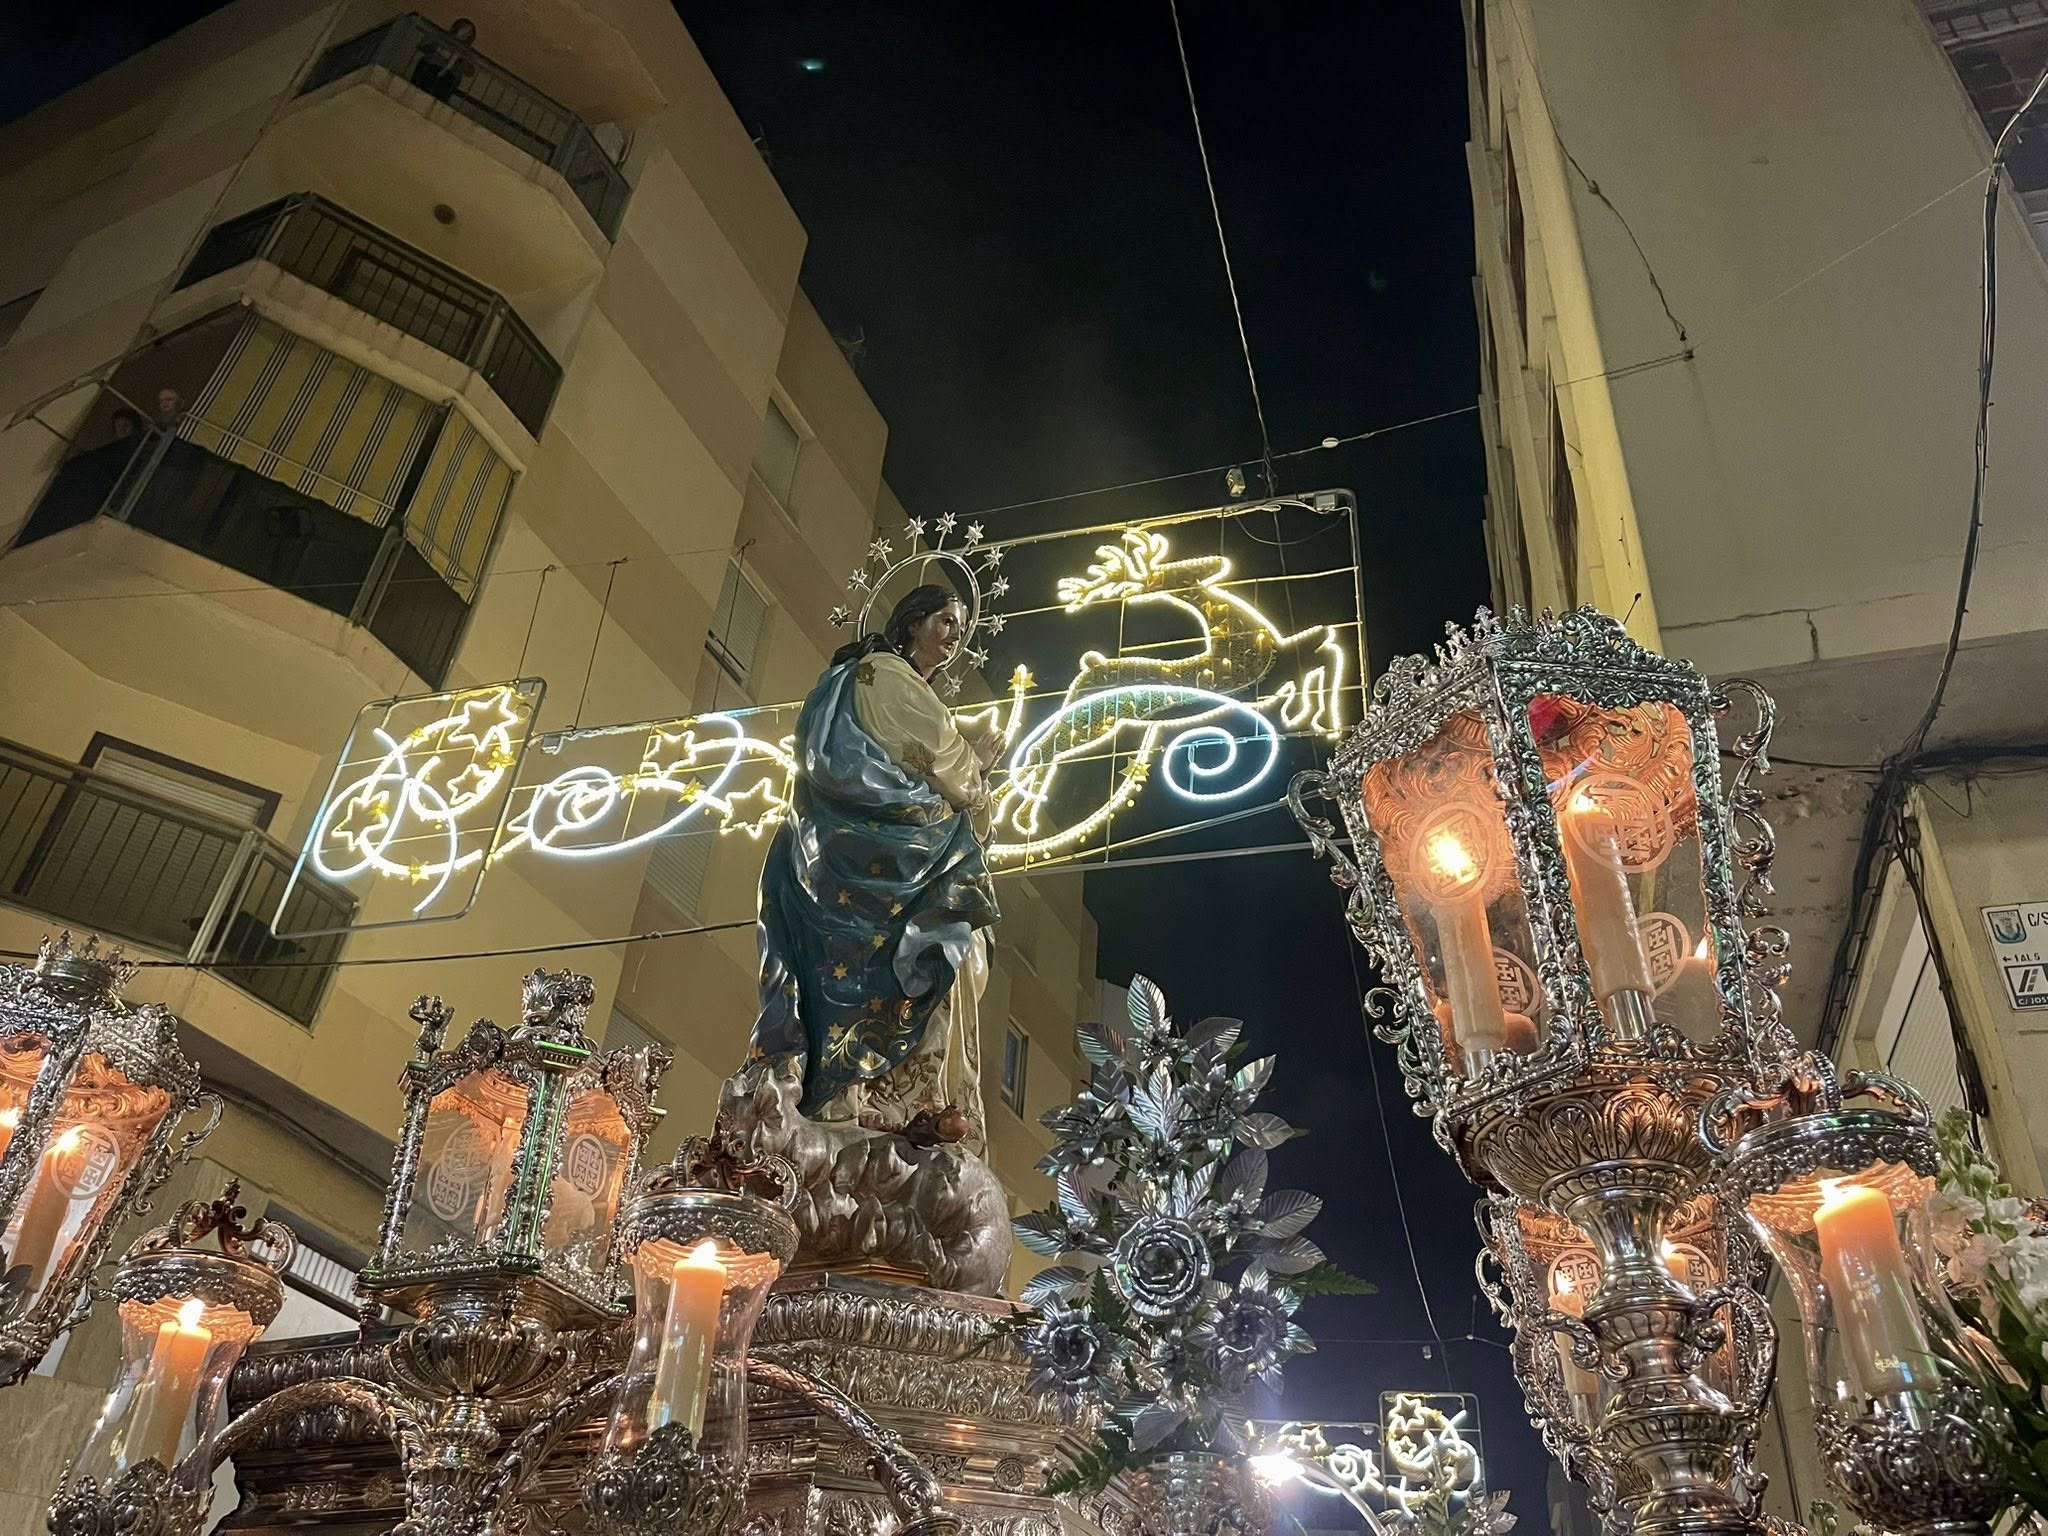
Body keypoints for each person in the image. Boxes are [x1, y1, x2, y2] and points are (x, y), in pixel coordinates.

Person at [748, 583, 1005, 1155]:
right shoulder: (882, 676)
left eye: (960, 627)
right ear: (912, 623)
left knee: (951, 951)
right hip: (874, 854)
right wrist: (977, 765)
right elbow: (950, 769)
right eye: (945, 621)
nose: (955, 635)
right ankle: (878, 1099)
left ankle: (905, 1096)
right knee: (940, 944)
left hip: (892, 851)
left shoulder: (893, 682)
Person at [412, 18, 477, 103]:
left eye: (469, 32)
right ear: (457, 27)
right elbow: (424, 45)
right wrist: (439, 50)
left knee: (438, 99)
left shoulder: (466, 51)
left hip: (449, 78)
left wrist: (459, 61)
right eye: (464, 29)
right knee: (420, 91)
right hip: (430, 68)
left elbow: (470, 71)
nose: (466, 34)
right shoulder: (441, 36)